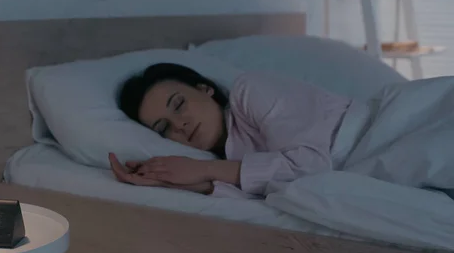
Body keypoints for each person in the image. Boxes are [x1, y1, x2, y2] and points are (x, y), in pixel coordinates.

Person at [108, 63, 353, 198]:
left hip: (375, 134)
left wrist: (202, 169)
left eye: (179, 104)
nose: (179, 125)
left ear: (205, 89)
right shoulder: (225, 156)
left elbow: (311, 168)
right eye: (163, 128)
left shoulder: (249, 90)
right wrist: (163, 180)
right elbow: (249, 191)